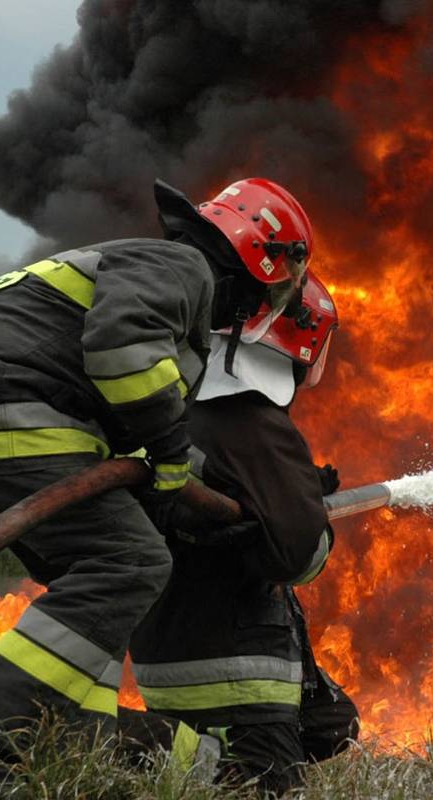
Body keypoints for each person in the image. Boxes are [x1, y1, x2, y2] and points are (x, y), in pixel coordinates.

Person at [0, 177, 315, 797]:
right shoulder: (182, 267)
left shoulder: (154, 270)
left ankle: (62, 744)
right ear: (260, 259)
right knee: (129, 562)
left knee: (94, 589)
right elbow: (123, 354)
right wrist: (175, 459)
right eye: (279, 286)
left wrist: (190, 488)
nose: (265, 304)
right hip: (0, 397)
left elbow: (125, 417)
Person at [123, 272, 358, 793]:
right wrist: (310, 518)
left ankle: (187, 758)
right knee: (262, 786)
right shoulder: (252, 420)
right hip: (235, 669)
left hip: (166, 654)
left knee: (334, 724)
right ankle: (179, 758)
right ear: (303, 343)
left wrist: (290, 495)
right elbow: (299, 556)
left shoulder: (177, 408)